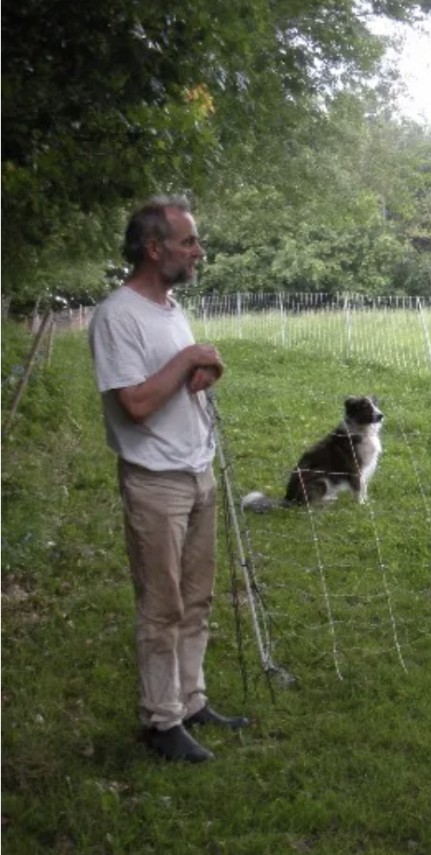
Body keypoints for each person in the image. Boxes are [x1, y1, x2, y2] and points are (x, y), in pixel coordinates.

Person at [88, 195, 249, 763]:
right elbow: (134, 403)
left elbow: (177, 376)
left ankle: (190, 700)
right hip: (156, 482)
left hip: (195, 469)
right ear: (155, 249)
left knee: (197, 599)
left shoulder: (170, 307)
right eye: (188, 242)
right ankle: (161, 722)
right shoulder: (117, 315)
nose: (198, 251)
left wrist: (204, 365)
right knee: (162, 606)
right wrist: (188, 359)